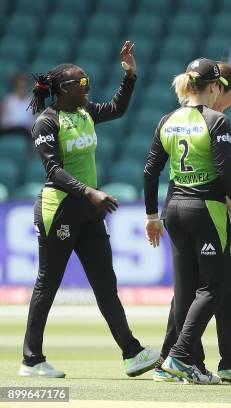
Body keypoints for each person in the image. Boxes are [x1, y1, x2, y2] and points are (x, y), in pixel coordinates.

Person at [20, 41, 160, 378]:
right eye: (81, 84)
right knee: (47, 284)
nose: (88, 88)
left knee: (104, 282)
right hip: (60, 209)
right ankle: (31, 360)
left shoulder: (85, 113)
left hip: (87, 211)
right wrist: (89, 192)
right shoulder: (47, 122)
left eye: (88, 82)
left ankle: (132, 352)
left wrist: (130, 76)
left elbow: (117, 108)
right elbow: (53, 170)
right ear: (63, 89)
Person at [150, 62, 231, 384]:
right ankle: (180, 357)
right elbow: (217, 173)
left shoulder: (174, 120)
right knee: (210, 286)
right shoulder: (214, 120)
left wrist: (155, 215)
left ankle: (220, 359)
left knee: (215, 285)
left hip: (177, 206)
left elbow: (177, 172)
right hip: (203, 210)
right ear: (218, 88)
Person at [1, 73, 34, 137]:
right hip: (11, 131)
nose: (22, 89)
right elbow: (3, 123)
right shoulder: (8, 101)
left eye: (24, 86)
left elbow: (35, 122)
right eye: (20, 86)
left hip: (27, 133)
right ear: (15, 87)